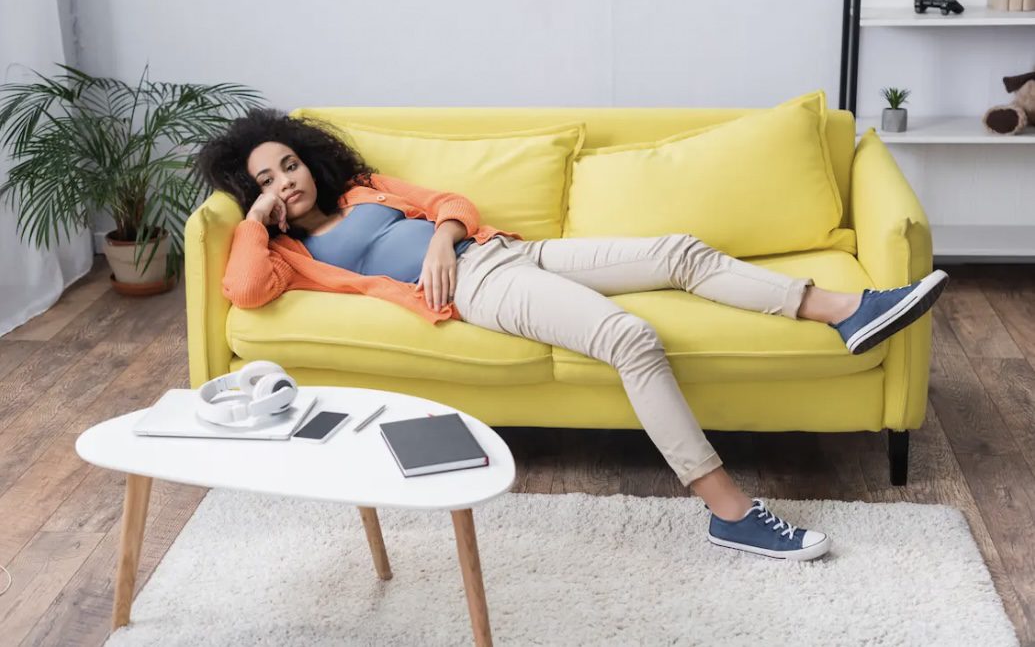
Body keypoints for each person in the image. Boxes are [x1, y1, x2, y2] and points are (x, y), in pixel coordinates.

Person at [195, 108, 949, 562]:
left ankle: (846, 312)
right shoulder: (290, 252)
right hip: (482, 288)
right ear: (254, 195)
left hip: (502, 251)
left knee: (676, 251)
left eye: (288, 166)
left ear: (309, 160)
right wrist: (260, 222)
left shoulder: (365, 190)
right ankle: (729, 515)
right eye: (266, 180)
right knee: (630, 338)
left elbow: (450, 199)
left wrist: (439, 237)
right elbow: (245, 290)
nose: (286, 181)